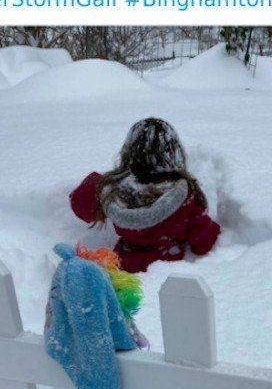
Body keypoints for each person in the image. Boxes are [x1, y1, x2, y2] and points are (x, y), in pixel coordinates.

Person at [70, 117, 221, 273]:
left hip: (122, 271)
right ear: (173, 153)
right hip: (167, 272)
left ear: (129, 152)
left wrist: (101, 182)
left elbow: (80, 205)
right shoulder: (183, 196)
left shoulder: (115, 190)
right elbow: (203, 243)